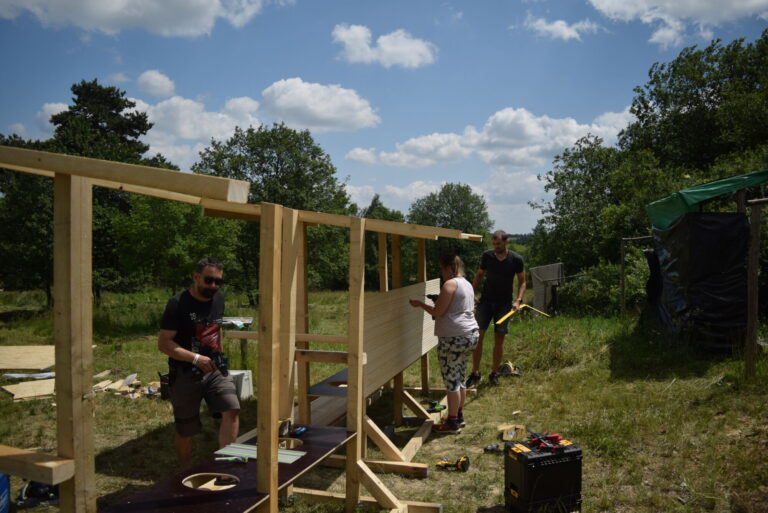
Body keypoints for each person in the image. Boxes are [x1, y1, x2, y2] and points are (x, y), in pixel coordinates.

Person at [158, 257, 240, 468]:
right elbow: (164, 343)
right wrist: (195, 358)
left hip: (214, 370)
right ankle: (185, 472)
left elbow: (216, 328)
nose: (213, 286)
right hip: (185, 372)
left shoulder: (219, 298)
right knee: (186, 429)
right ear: (196, 277)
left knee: (231, 409)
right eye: (208, 280)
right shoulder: (178, 303)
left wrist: (219, 354)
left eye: (218, 281)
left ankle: (226, 466)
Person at [409, 254, 479, 434]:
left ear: (450, 268)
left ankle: (452, 422)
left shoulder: (449, 285)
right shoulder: (467, 284)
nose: (441, 272)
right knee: (460, 377)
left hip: (453, 337)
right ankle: (459, 416)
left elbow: (437, 312)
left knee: (451, 381)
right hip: (470, 335)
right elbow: (456, 307)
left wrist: (420, 304)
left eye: (442, 268)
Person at [466, 230, 526, 387]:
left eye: (498, 243)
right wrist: (471, 294)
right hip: (485, 302)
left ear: (506, 242)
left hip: (504, 305)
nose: (495, 246)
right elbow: (479, 275)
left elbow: (522, 282)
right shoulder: (487, 256)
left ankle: (494, 374)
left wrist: (518, 300)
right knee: (478, 338)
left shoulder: (516, 259)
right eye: (494, 244)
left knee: (499, 340)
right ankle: (475, 373)